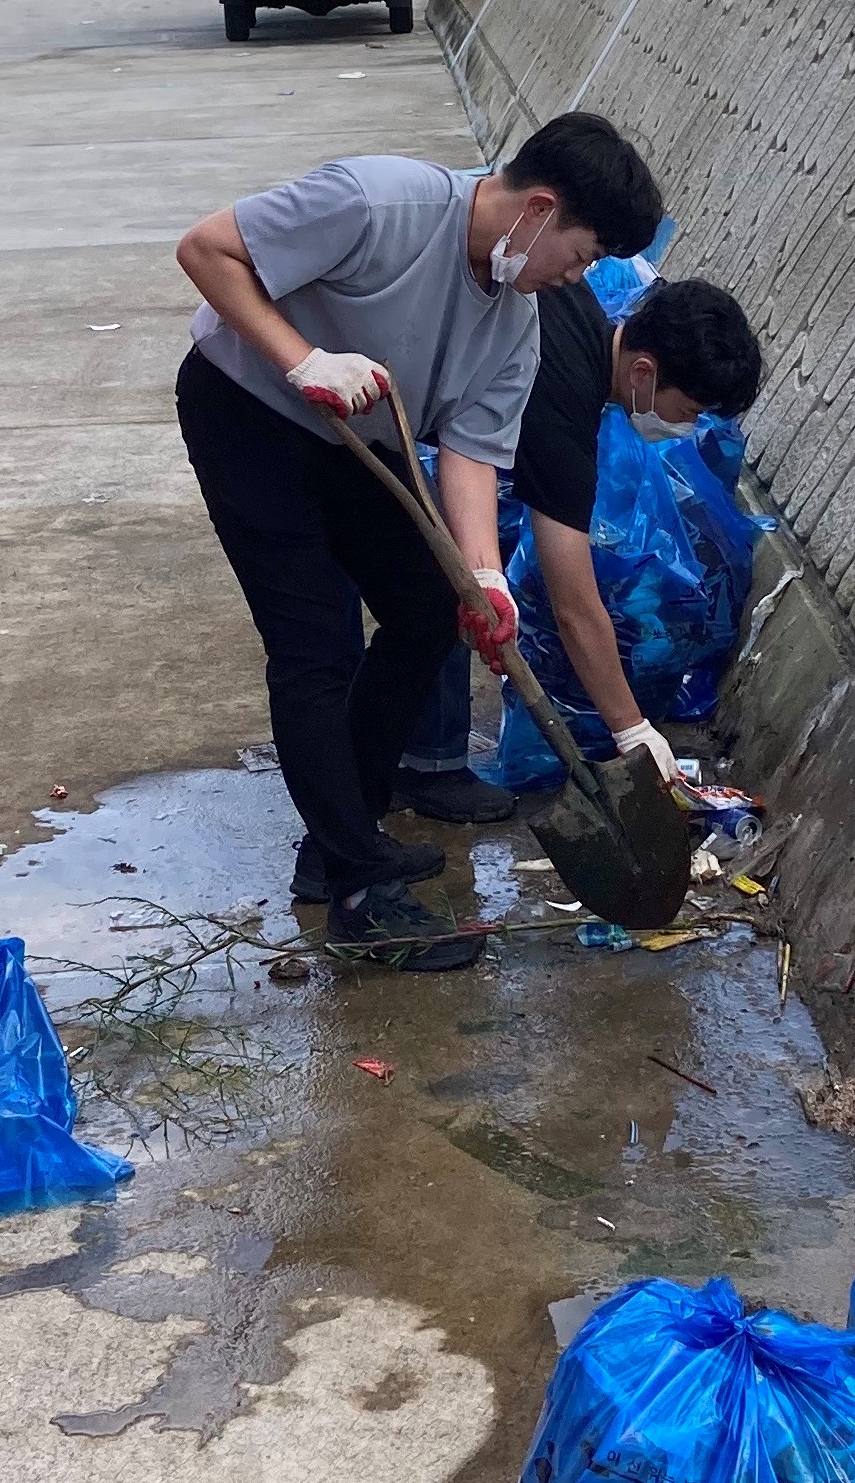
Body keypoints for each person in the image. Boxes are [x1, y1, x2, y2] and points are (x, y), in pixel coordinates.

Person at [173, 113, 665, 972]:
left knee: (425, 610)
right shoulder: (377, 200)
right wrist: (301, 359)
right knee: (314, 644)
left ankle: (340, 839)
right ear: (538, 211)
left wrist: (484, 579)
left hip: (363, 438)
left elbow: (472, 455)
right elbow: (206, 249)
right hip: (247, 409)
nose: (574, 277)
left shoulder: (518, 318)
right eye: (581, 255)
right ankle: (360, 896)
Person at [395, 276, 765, 816]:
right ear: (644, 372)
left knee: (436, 599)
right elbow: (573, 606)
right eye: (687, 411)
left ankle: (412, 765)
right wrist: (632, 728)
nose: (688, 429)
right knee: (412, 606)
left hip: (418, 416)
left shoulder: (575, 310)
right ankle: (381, 807)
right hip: (359, 410)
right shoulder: (564, 410)